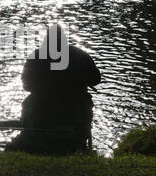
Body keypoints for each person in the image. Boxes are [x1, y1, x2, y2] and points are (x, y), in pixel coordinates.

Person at [7, 24, 101, 154]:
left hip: (42, 113)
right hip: (76, 113)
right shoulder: (80, 55)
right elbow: (96, 80)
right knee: (84, 104)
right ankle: (79, 142)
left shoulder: (36, 56)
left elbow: (26, 86)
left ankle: (32, 137)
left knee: (29, 103)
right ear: (64, 41)